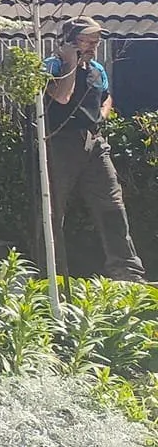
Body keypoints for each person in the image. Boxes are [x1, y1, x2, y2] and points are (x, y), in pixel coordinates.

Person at [42, 16, 147, 281]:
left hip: (94, 142)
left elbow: (106, 95)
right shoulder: (52, 66)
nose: (93, 45)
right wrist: (70, 62)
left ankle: (128, 271)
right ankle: (51, 273)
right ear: (69, 41)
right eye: (86, 40)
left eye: (96, 40)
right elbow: (63, 96)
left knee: (112, 203)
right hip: (60, 142)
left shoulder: (98, 69)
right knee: (54, 206)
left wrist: (102, 113)